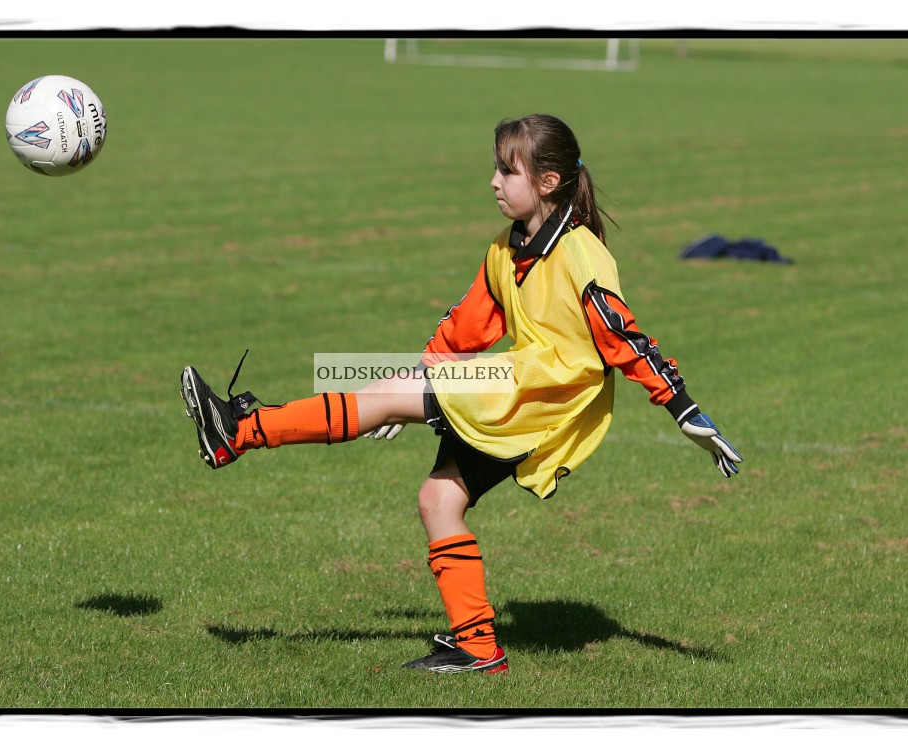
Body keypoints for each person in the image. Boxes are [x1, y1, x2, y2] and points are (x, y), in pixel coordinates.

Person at [180, 113, 742, 676]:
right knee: (438, 502)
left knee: (383, 392)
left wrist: (683, 408)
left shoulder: (581, 254)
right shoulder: (507, 248)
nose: (493, 182)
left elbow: (622, 336)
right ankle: (478, 648)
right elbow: (468, 328)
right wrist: (419, 378)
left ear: (548, 182)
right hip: (520, 396)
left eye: (506, 170)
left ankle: (239, 432)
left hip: (538, 394)